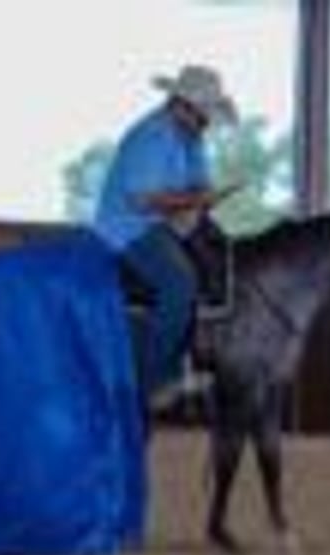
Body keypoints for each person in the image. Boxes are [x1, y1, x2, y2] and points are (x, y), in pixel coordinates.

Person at [92, 64, 239, 397]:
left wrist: (205, 196)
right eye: (203, 116)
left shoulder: (189, 138)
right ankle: (151, 381)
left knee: (220, 260)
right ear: (183, 106)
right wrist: (198, 199)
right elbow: (143, 200)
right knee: (179, 285)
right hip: (129, 230)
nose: (207, 123)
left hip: (167, 223)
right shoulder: (151, 136)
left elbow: (197, 184)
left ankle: (185, 361)